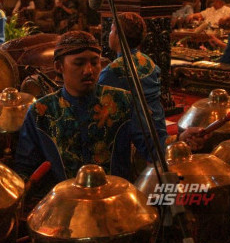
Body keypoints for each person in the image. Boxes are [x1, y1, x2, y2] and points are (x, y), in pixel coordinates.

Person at [14, 31, 204, 194]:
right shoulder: (41, 111)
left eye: (95, 62)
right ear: (59, 66)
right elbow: (25, 167)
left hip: (116, 205)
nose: (89, 70)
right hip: (64, 213)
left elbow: (152, 147)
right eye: (79, 63)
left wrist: (180, 140)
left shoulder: (124, 101)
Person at [98, 12, 167, 147]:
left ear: (119, 36)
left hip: (136, 134)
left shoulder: (113, 71)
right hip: (158, 126)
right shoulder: (148, 61)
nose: (109, 35)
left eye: (112, 30)